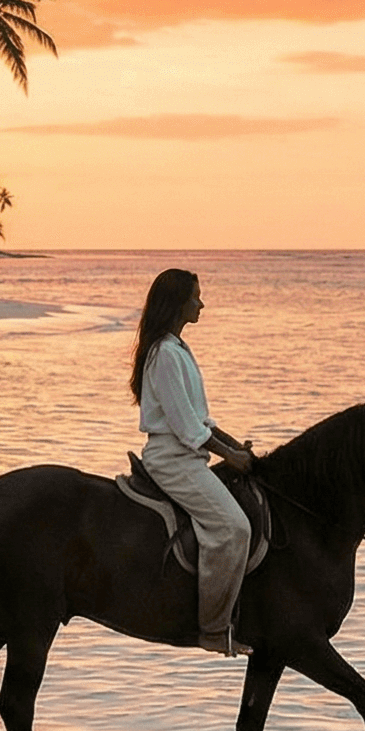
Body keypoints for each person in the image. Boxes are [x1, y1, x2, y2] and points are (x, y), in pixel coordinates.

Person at [130, 267, 256, 656]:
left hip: (187, 455)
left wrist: (238, 448)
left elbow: (202, 420)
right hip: (172, 460)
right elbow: (187, 428)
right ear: (178, 303)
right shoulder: (165, 354)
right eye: (196, 297)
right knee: (234, 528)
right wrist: (229, 456)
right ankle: (213, 628)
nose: (202, 304)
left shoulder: (179, 349)